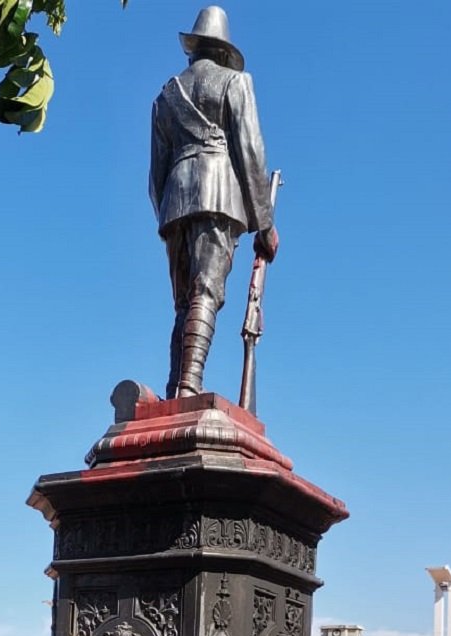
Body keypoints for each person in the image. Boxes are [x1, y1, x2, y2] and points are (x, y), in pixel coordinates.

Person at [149, 6, 279, 398]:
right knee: (206, 293)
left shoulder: (166, 95)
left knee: (183, 303)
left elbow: (155, 176)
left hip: (175, 201)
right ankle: (188, 385)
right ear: (223, 50)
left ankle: (176, 386)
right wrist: (265, 223)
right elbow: (250, 153)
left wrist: (168, 213)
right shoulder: (236, 83)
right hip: (218, 193)